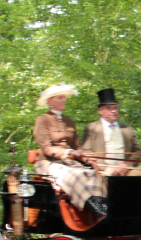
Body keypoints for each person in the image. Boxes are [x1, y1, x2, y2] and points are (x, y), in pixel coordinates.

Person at [32, 84, 108, 217]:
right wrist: (70, 153)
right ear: (50, 102)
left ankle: (101, 205)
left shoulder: (69, 121)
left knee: (92, 173)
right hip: (48, 163)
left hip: (69, 163)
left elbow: (77, 147)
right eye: (60, 98)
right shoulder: (42, 120)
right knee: (76, 175)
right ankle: (94, 208)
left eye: (65, 98)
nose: (64, 100)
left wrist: (86, 158)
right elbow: (47, 148)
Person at [81, 88, 141, 177]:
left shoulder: (127, 129)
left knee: (139, 176)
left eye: (115, 108)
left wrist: (126, 165)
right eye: (109, 108)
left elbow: (137, 152)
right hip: (102, 171)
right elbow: (86, 152)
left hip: (126, 171)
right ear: (100, 110)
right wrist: (105, 168)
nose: (113, 111)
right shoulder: (91, 128)